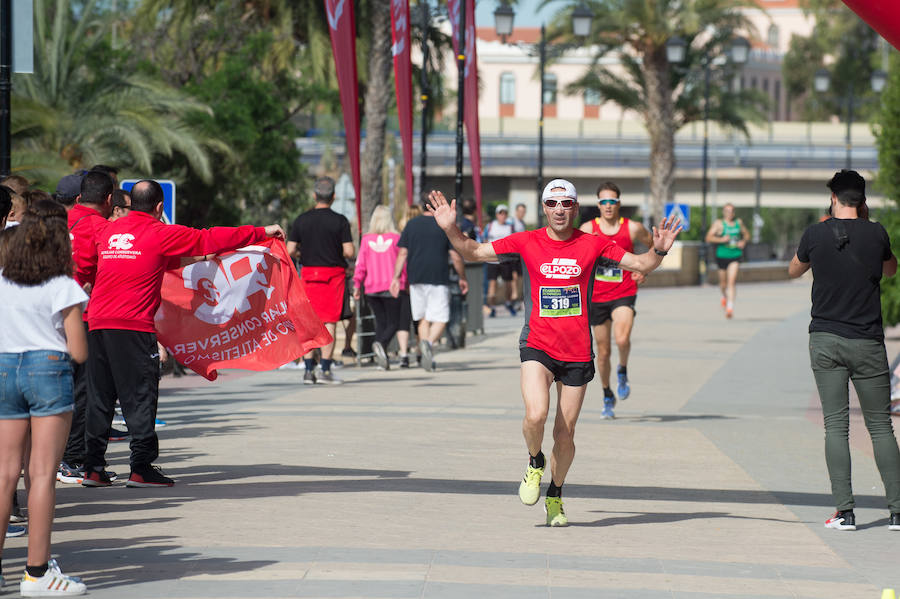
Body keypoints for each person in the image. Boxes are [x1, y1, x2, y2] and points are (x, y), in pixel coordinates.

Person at [427, 179, 681, 526]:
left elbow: (640, 264)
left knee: (565, 433)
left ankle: (556, 495)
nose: (559, 209)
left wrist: (660, 250)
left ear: (575, 208)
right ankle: (535, 461)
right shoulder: (526, 240)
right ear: (544, 208)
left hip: (577, 351)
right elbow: (473, 251)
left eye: (566, 203)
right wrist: (450, 228)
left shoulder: (593, 244)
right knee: (535, 415)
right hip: (537, 344)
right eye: (552, 203)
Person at [81, 180, 284, 488]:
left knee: (99, 397)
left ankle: (93, 469)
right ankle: (140, 469)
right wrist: (261, 232)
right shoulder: (160, 232)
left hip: (96, 322)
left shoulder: (107, 232)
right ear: (160, 207)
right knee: (140, 397)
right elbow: (210, 238)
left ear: (127, 203)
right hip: (133, 327)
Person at [789, 169, 900, 532]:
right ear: (863, 200)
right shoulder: (877, 232)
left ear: (833, 197)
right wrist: (867, 227)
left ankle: (845, 512)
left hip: (826, 340)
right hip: (868, 341)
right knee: (881, 427)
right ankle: (897, 512)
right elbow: (890, 271)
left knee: (836, 426)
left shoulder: (815, 234)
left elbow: (793, 270)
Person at [0, 201, 89, 595]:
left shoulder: (2, 281)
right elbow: (79, 351)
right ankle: (36, 573)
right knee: (41, 475)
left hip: (3, 368)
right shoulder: (62, 285)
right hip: (48, 370)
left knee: (3, 475)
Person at [578, 181, 652, 419]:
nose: (608, 206)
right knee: (603, 350)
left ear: (618, 204)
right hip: (597, 296)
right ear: (598, 204)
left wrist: (644, 269)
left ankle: (622, 369)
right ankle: (607, 393)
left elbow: (653, 247)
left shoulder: (632, 228)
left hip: (624, 292)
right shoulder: (588, 229)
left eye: (612, 201)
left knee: (621, 339)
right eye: (604, 202)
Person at [58, 171, 113, 487]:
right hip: (82, 317)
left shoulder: (56, 224)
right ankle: (73, 459)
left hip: (46, 316)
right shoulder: (103, 229)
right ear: (108, 200)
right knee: (83, 391)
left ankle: (53, 457)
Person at [286, 177, 355, 385]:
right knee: (329, 321)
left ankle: (308, 370)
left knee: (308, 322)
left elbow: (289, 249)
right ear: (333, 197)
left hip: (308, 275)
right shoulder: (340, 220)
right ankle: (325, 369)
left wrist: (300, 253)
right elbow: (349, 251)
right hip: (333, 276)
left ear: (314, 196)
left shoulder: (301, 220)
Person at [391, 198, 469, 372]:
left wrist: (396, 277)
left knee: (423, 317)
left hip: (416, 277)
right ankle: (428, 344)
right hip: (438, 276)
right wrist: (462, 276)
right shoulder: (445, 225)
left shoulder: (411, 224)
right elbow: (455, 255)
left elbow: (403, 253)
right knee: (441, 318)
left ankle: (427, 354)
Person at [353, 206, 409, 370]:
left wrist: (357, 284)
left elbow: (360, 265)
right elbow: (403, 263)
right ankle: (380, 343)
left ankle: (381, 359)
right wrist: (404, 282)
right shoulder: (396, 238)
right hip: (392, 286)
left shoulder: (366, 240)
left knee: (381, 323)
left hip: (371, 287)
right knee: (394, 322)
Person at [705, 203, 749, 319]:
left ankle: (730, 307)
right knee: (723, 284)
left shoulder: (738, 223)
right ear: (724, 212)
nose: (730, 213)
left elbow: (747, 235)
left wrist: (743, 242)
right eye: (727, 211)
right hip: (722, 256)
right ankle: (724, 296)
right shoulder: (719, 224)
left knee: (731, 282)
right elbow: (708, 237)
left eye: (732, 211)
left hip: (735, 255)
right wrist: (721, 239)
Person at [483, 205, 518, 317]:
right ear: (497, 215)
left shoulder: (510, 228)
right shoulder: (490, 226)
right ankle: (492, 307)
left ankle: (508, 303)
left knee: (508, 284)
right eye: (500, 213)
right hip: (492, 260)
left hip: (506, 260)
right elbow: (484, 240)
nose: (502, 215)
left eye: (504, 213)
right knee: (492, 284)